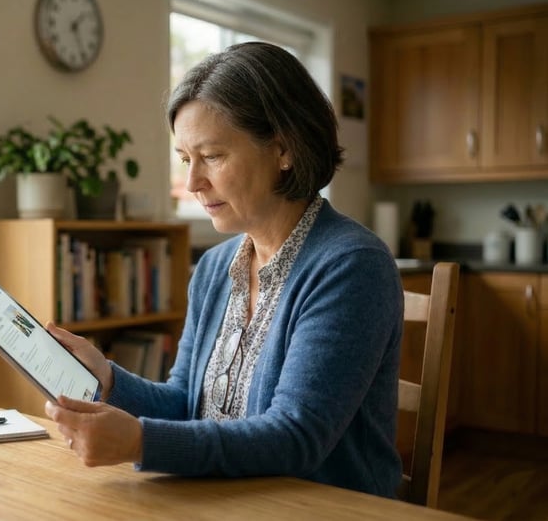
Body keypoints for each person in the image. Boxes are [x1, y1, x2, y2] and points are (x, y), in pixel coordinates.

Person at [44, 42, 403, 498]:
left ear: (284, 149)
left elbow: (295, 438)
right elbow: (186, 404)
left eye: (211, 156)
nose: (192, 182)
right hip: (228, 499)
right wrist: (106, 378)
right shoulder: (215, 268)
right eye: (184, 160)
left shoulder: (352, 266)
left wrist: (140, 441)